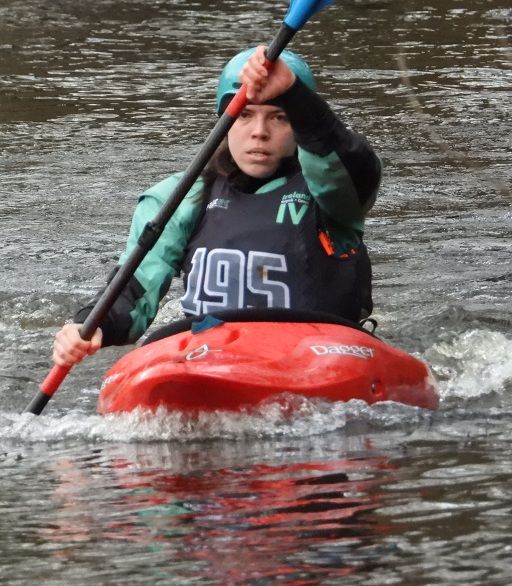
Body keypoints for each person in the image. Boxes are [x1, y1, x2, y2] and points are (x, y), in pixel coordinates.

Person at [53, 45, 381, 367]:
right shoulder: (183, 196)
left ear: (299, 127)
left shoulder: (332, 196)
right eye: (244, 116)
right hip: (214, 357)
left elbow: (352, 165)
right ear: (224, 123)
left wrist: (297, 97)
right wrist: (92, 324)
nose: (259, 133)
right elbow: (137, 284)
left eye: (279, 118)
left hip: (318, 357)